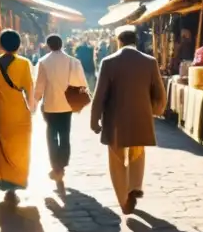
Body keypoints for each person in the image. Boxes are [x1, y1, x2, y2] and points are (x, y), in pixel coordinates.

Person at [90, 25, 166, 214]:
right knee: (137, 154)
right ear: (135, 41)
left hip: (115, 120)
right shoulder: (150, 62)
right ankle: (134, 187)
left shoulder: (108, 62)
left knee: (116, 159)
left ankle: (124, 199)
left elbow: (99, 95)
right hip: (141, 117)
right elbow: (160, 93)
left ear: (119, 41)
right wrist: (154, 111)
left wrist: (94, 119)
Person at [0, 29, 35, 201]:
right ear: (19, 45)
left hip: (0, 112)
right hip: (20, 112)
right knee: (20, 146)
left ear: (1, 44)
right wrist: (32, 109)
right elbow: (29, 89)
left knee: (1, 145)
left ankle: (5, 179)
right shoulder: (24, 63)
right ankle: (18, 179)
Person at [34, 34, 87, 185]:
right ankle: (62, 165)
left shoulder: (44, 62)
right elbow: (81, 83)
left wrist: (34, 101)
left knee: (51, 136)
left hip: (50, 105)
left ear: (48, 46)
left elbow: (39, 85)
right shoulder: (73, 61)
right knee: (65, 135)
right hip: (67, 105)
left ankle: (55, 166)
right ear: (62, 44)